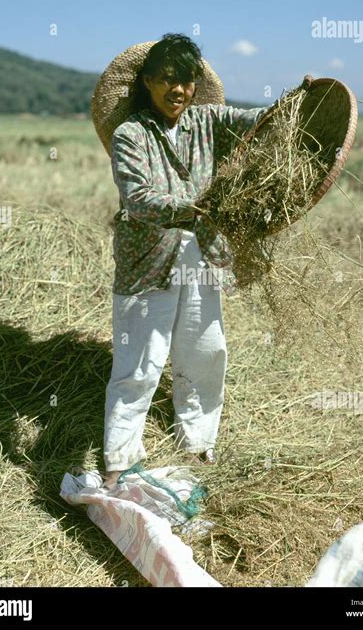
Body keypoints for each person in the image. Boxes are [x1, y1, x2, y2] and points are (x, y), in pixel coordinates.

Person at [103, 33, 271, 489]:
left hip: (200, 257)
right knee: (139, 364)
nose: (179, 90)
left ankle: (197, 443)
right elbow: (138, 199)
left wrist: (299, 100)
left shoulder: (207, 122)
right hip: (147, 262)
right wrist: (193, 209)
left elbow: (260, 121)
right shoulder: (130, 134)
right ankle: (119, 460)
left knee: (204, 351)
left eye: (188, 81)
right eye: (169, 80)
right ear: (149, 81)